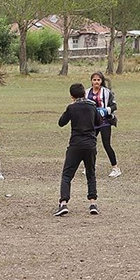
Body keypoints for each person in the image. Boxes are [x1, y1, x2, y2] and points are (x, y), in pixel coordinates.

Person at [54, 83, 103, 217]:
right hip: (90, 145)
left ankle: (63, 203)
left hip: (75, 144)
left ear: (72, 96)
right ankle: (93, 203)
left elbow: (61, 122)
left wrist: (70, 109)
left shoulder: (72, 107)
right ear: (84, 93)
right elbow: (99, 122)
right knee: (91, 174)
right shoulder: (92, 106)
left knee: (67, 175)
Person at [87, 71, 121, 178]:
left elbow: (114, 106)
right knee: (89, 144)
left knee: (106, 145)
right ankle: (89, 166)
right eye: (94, 80)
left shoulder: (107, 92)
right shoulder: (87, 92)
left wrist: (106, 110)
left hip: (105, 122)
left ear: (101, 81)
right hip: (92, 122)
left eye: (98, 80)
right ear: (91, 81)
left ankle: (115, 168)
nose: (96, 82)